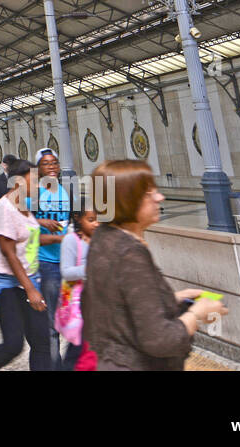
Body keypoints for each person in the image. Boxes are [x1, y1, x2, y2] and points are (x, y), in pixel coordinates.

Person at [81, 160, 227, 370]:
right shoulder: (130, 252)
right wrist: (198, 313)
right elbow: (160, 340)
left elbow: (117, 303)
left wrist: (172, 298)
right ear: (127, 200)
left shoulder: (103, 238)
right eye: (149, 193)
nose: (160, 197)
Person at [0, 159, 52, 371]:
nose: (39, 185)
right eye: (35, 180)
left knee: (41, 341)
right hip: (7, 284)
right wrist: (31, 290)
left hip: (28, 279)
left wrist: (60, 239)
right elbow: (9, 252)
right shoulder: (4, 208)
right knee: (13, 344)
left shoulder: (25, 206)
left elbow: (28, 237)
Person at [33, 149, 70, 362]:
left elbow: (64, 225)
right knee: (50, 324)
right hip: (44, 262)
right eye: (46, 164)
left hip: (62, 263)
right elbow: (20, 225)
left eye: (55, 163)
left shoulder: (62, 192)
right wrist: (41, 222)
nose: (52, 167)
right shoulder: (33, 193)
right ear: (38, 169)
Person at [58, 207, 98, 369]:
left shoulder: (100, 239)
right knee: (77, 348)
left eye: (97, 220)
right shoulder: (71, 240)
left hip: (97, 303)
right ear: (78, 219)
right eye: (90, 220)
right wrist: (90, 269)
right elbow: (66, 272)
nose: (96, 224)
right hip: (78, 304)